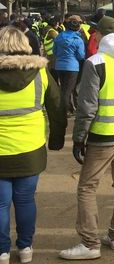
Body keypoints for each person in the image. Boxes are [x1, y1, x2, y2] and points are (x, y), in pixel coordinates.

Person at [59, 16, 114, 260]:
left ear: (102, 34)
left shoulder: (96, 62)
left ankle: (90, 243)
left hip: (104, 134)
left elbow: (87, 106)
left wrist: (79, 138)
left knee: (88, 186)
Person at [0, 26, 66, 264]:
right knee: (26, 199)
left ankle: (2, 251)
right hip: (30, 147)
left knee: (0, 203)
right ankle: (25, 247)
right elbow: (57, 108)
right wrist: (57, 139)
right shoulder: (40, 74)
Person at [53, 15, 86, 116]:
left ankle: (68, 108)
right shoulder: (78, 39)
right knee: (68, 90)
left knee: (63, 87)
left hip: (59, 65)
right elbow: (81, 55)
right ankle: (65, 109)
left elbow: (55, 51)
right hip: (72, 67)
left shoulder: (59, 37)